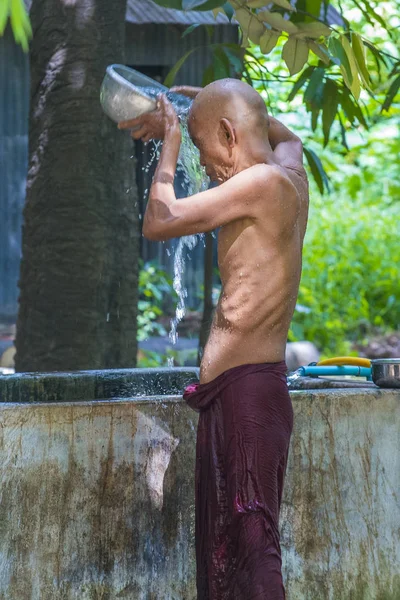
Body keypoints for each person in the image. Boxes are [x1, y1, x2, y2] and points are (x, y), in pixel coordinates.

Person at [118, 78, 309, 600]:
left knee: (253, 545)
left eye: (205, 151)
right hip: (248, 393)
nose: (204, 167)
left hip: (248, 396)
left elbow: (158, 221)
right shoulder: (291, 169)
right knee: (232, 547)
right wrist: (203, 102)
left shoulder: (262, 184)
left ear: (228, 134)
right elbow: (284, 132)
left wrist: (172, 145)